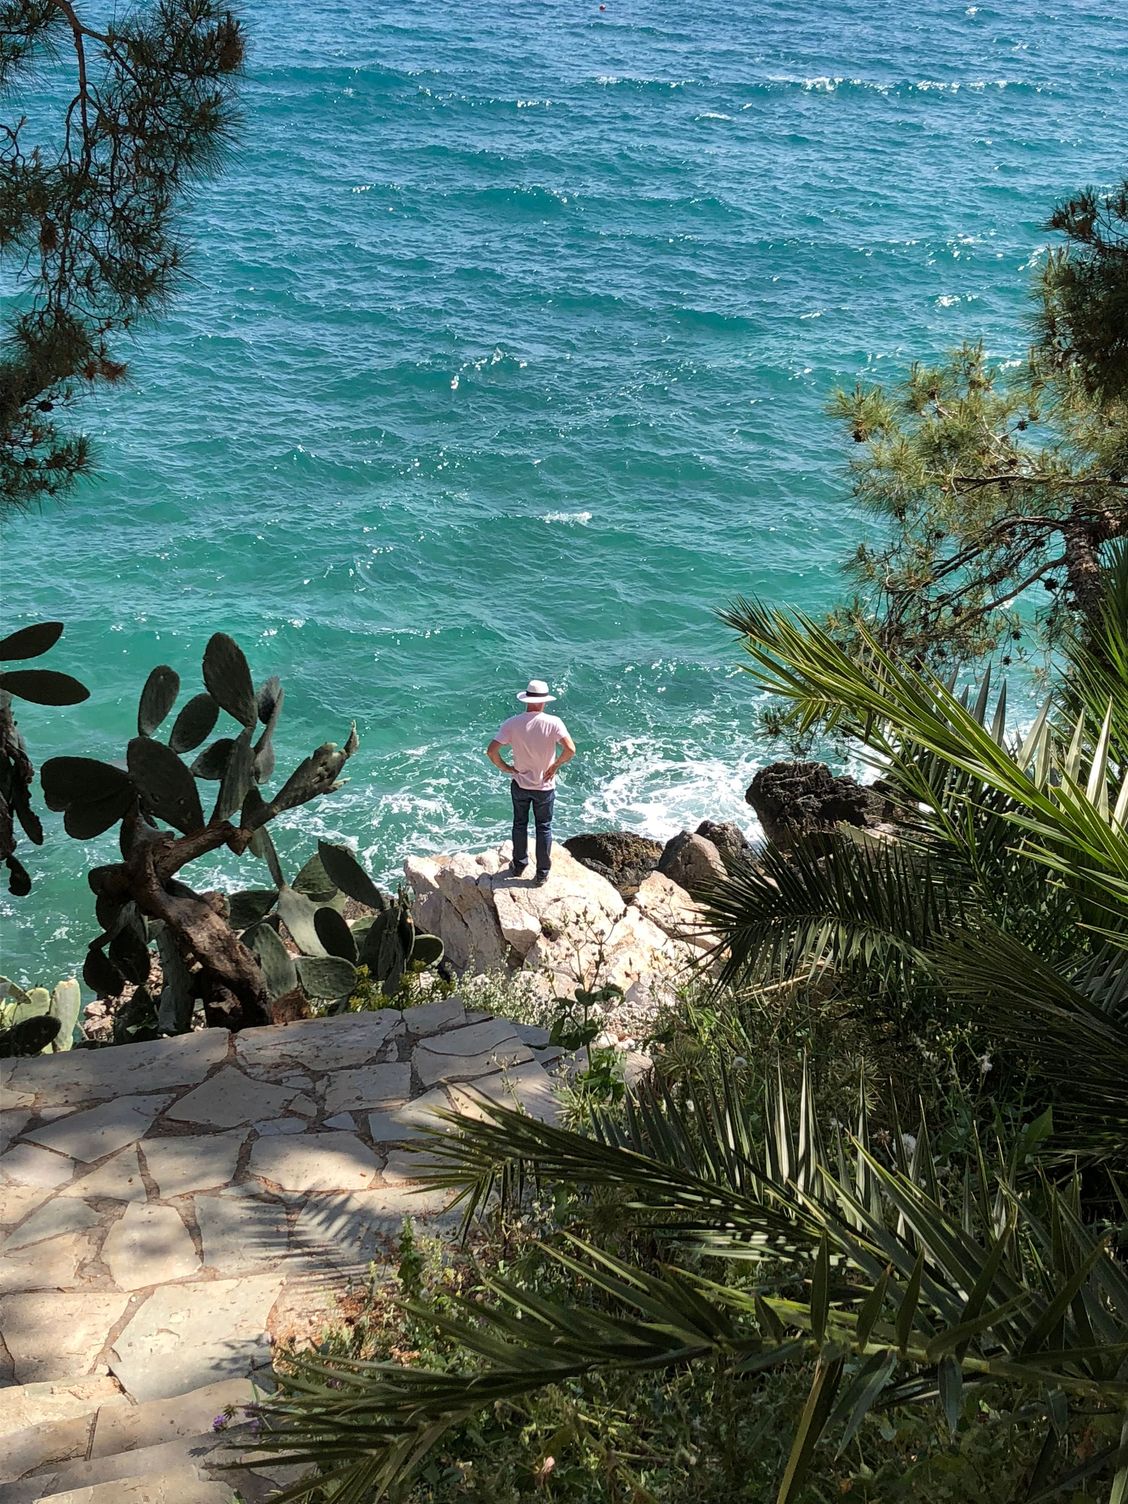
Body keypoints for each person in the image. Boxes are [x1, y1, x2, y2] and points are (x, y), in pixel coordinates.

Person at [486, 678, 575, 886]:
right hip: (544, 786)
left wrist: (505, 767)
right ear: (544, 701)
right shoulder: (554, 722)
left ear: (526, 699)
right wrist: (555, 766)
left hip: (520, 783)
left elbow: (491, 751)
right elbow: (570, 749)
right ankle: (542, 873)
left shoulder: (512, 723)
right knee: (543, 827)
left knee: (519, 824)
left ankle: (519, 865)